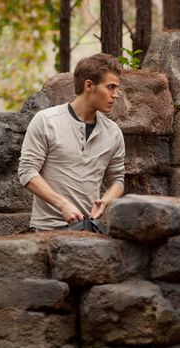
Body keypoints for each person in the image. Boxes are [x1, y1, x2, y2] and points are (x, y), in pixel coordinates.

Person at [18, 53, 125, 231]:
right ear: (89, 85)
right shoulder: (46, 121)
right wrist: (62, 204)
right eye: (110, 87)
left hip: (90, 230)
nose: (116, 95)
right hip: (47, 229)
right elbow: (27, 172)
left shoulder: (113, 133)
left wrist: (105, 201)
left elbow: (118, 180)